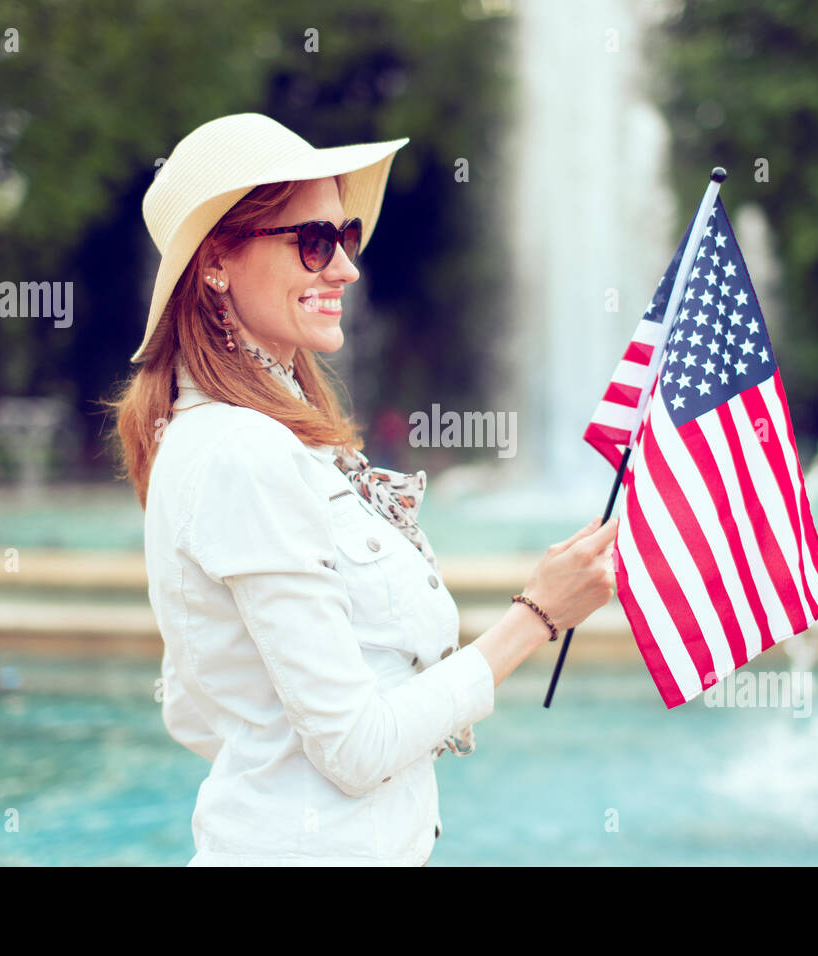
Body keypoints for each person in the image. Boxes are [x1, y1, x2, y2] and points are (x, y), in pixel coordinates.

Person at [108, 113, 618, 866]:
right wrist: (538, 616)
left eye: (344, 238)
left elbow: (195, 708)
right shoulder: (243, 452)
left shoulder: (237, 438)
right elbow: (352, 746)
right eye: (314, 243)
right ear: (216, 260)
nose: (345, 268)